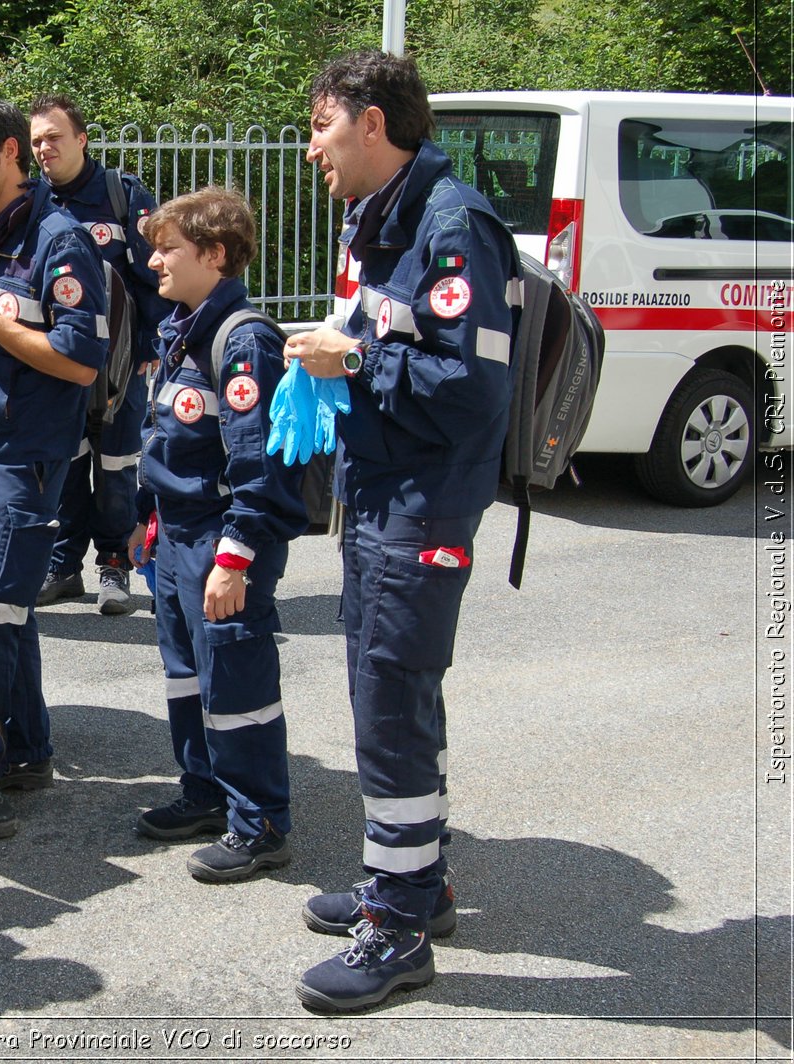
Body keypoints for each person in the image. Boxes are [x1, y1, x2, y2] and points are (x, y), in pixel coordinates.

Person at [284, 51, 517, 1011]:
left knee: (387, 699)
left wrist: (352, 362)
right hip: (382, 492)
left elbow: (470, 393)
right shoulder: (383, 219)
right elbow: (398, 337)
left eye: (321, 130)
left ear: (372, 123)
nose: (311, 152)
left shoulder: (453, 224)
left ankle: (400, 928)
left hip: (422, 503)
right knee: (394, 692)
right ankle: (416, 882)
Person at [0, 99, 108, 838]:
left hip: (23, 461)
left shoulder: (59, 239)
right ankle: (29, 748)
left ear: (11, 154)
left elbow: (78, 362)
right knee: (6, 610)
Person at [127, 187, 307, 881]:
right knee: (186, 678)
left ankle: (260, 823)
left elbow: (256, 466)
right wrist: (152, 522)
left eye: (169, 248)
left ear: (216, 254)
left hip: (219, 541)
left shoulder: (243, 340)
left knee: (235, 682)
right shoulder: (183, 328)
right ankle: (204, 792)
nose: (155, 259)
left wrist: (233, 558)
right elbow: (171, 440)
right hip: (175, 536)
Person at [29, 94, 174, 615]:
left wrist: (151, 344)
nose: (45, 149)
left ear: (82, 139)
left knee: (116, 465)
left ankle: (114, 566)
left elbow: (156, 273)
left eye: (55, 137)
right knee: (64, 464)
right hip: (56, 362)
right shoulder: (30, 203)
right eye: (37, 140)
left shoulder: (121, 195)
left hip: (119, 365)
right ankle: (63, 567)